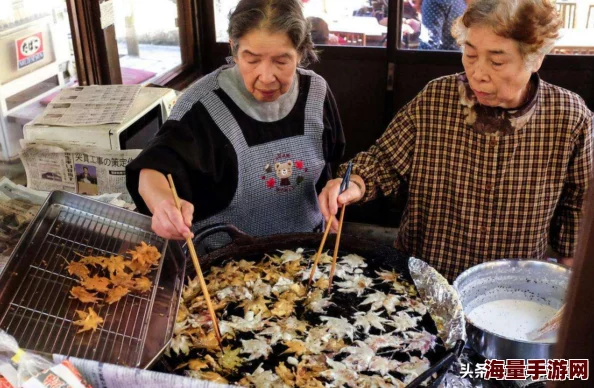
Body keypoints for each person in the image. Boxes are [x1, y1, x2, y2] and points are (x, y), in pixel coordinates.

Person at [319, 0, 593, 282]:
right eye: (470, 54)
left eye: (496, 61)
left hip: (510, 289)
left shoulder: (569, 118)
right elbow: (384, 161)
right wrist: (353, 183)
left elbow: (579, 201)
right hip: (426, 277)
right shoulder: (437, 98)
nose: (478, 73)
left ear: (535, 58)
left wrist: (569, 268)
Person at [126, 0, 345, 246]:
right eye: (251, 60)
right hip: (227, 264)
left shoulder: (316, 93)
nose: (266, 76)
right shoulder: (203, 104)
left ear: (301, 52)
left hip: (306, 251)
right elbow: (151, 171)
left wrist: (332, 200)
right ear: (234, 48)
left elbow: (329, 165)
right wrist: (162, 204)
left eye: (282, 61)